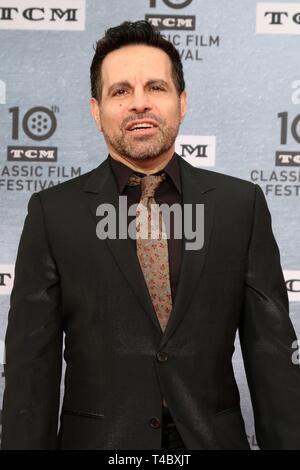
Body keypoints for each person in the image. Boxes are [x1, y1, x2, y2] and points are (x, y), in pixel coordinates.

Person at [2, 20, 300, 450]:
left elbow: (273, 358)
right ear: (95, 108)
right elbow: (31, 369)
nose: (139, 103)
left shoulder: (241, 206)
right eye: (120, 91)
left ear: (182, 101)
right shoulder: (53, 213)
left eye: (156, 88)